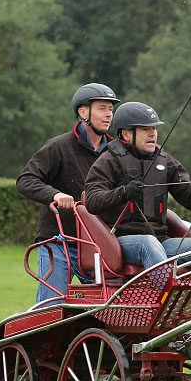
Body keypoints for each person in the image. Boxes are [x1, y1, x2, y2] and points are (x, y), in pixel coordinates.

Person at [84, 101, 191, 277]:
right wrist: (123, 193)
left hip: (161, 241)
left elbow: (188, 194)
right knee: (148, 243)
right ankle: (168, 298)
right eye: (145, 129)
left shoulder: (164, 160)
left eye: (154, 129)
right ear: (126, 134)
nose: (153, 134)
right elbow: (92, 201)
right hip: (121, 242)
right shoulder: (108, 161)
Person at [17, 83, 120, 304]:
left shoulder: (117, 151)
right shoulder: (59, 146)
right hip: (58, 241)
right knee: (51, 308)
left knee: (106, 308)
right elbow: (26, 180)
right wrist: (54, 195)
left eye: (111, 109)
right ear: (83, 112)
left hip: (97, 245)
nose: (109, 115)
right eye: (102, 108)